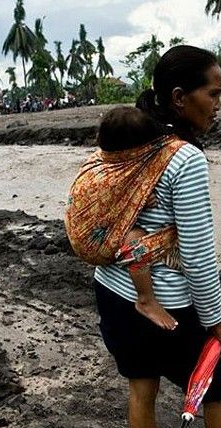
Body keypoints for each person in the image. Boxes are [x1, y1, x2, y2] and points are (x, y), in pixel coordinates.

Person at [91, 45, 221, 428]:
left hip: (111, 289)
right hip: (166, 308)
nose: (219, 104)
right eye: (213, 93)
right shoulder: (185, 158)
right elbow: (196, 253)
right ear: (179, 97)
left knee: (142, 389)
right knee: (218, 391)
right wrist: (214, 318)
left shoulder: (130, 143)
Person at [66, 106, 181, 330]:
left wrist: (134, 198)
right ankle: (146, 299)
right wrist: (138, 198)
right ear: (136, 151)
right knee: (136, 238)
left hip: (78, 234)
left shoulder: (97, 161)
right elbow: (118, 196)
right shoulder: (122, 175)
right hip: (93, 245)